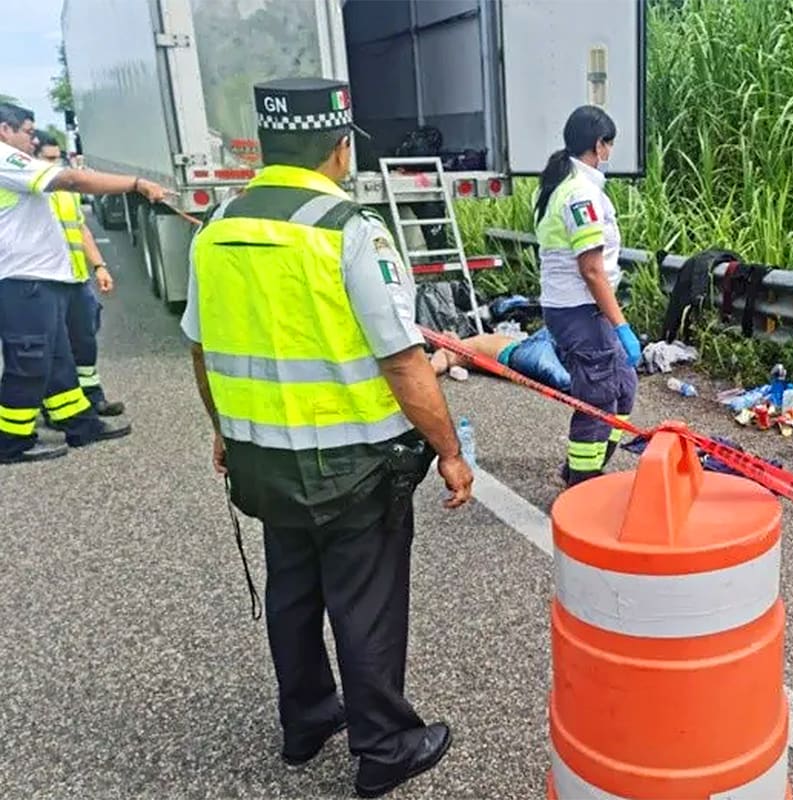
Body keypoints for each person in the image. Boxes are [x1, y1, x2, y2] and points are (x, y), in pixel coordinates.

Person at [180, 78, 472, 799]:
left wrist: (224, 431)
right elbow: (402, 359)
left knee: (293, 590)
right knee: (364, 602)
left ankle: (306, 722)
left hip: (260, 462)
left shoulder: (215, 228)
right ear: (340, 149)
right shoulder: (349, 230)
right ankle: (386, 746)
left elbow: (200, 347)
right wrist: (449, 451)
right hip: (350, 466)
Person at [0, 102, 164, 463]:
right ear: (4, 131)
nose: (32, 140)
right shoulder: (4, 159)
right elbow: (72, 180)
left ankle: (78, 422)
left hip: (41, 279)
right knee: (28, 363)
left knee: (58, 358)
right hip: (23, 280)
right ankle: (10, 441)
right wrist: (135, 184)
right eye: (27, 132)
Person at [533, 105, 639, 487]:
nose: (610, 152)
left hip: (579, 308)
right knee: (598, 399)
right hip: (579, 310)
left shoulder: (566, 186)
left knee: (623, 387)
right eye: (609, 145)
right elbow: (591, 269)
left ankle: (588, 468)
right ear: (599, 145)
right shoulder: (579, 194)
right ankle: (582, 481)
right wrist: (621, 325)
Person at [33, 130, 125, 416]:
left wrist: (99, 266)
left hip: (75, 279)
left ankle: (92, 396)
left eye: (57, 159)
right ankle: (56, 404)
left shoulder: (65, 194)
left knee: (84, 340)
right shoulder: (30, 194)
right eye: (47, 159)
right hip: (44, 282)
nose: (55, 166)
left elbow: (80, 228)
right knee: (52, 346)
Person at [428, 326, 572, 393]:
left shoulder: (468, 340)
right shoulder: (450, 353)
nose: (447, 333)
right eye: (442, 335)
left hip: (529, 344)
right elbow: (430, 369)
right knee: (560, 377)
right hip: (515, 356)